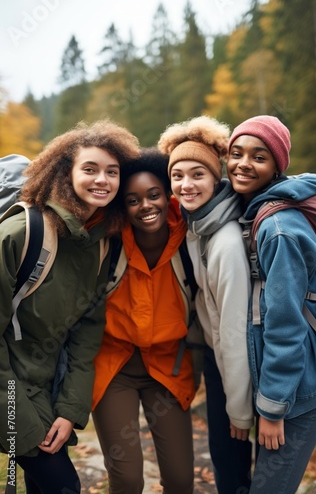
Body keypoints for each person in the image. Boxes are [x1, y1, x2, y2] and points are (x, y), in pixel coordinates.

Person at [0, 120, 140, 494]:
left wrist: (68, 410)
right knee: (63, 486)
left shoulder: (100, 244)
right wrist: (20, 415)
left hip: (46, 385)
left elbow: (85, 335)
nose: (103, 180)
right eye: (90, 169)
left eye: (112, 172)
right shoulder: (21, 234)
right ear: (66, 173)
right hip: (9, 385)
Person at [226, 115, 316, 494]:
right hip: (291, 384)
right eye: (236, 153)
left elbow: (285, 325)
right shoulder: (263, 210)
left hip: (299, 390)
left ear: (276, 167)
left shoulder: (278, 229)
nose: (243, 163)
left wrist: (273, 407)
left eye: (259, 157)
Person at [92, 148, 197, 494]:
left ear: (167, 195)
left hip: (167, 368)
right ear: (123, 206)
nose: (146, 206)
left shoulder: (191, 239)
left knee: (181, 480)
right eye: (133, 200)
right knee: (127, 480)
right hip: (114, 368)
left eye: (154, 195)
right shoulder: (110, 241)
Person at [158, 115, 254, 494]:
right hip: (222, 363)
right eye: (177, 175)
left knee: (231, 470)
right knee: (225, 465)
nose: (185, 184)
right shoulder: (200, 223)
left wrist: (239, 409)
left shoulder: (225, 241)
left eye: (197, 174)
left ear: (217, 178)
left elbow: (233, 330)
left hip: (236, 368)